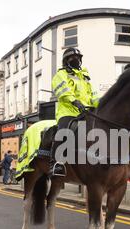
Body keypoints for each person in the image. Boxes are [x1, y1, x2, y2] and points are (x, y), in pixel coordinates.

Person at [49, 47, 99, 177]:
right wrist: (75, 101)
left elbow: (93, 95)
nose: (76, 60)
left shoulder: (85, 77)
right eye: (73, 58)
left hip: (86, 112)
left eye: (78, 58)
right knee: (65, 131)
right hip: (68, 111)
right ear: (66, 61)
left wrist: (101, 105)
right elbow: (63, 91)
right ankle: (57, 163)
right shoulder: (61, 74)